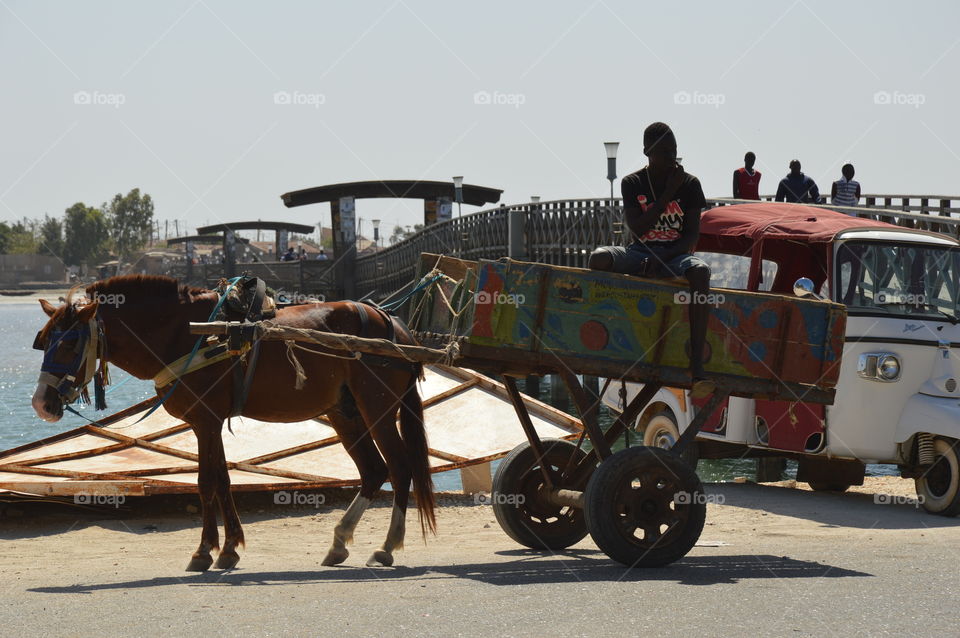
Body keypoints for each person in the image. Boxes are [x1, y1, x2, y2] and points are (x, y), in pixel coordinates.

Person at [589, 122, 714, 397]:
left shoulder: (690, 184)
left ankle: (696, 363)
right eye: (665, 152)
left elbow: (691, 236)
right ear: (648, 152)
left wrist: (663, 258)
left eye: (674, 151)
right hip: (639, 252)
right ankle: (604, 338)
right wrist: (668, 192)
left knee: (701, 272)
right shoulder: (632, 183)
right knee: (598, 259)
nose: (672, 157)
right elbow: (638, 229)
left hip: (675, 255)